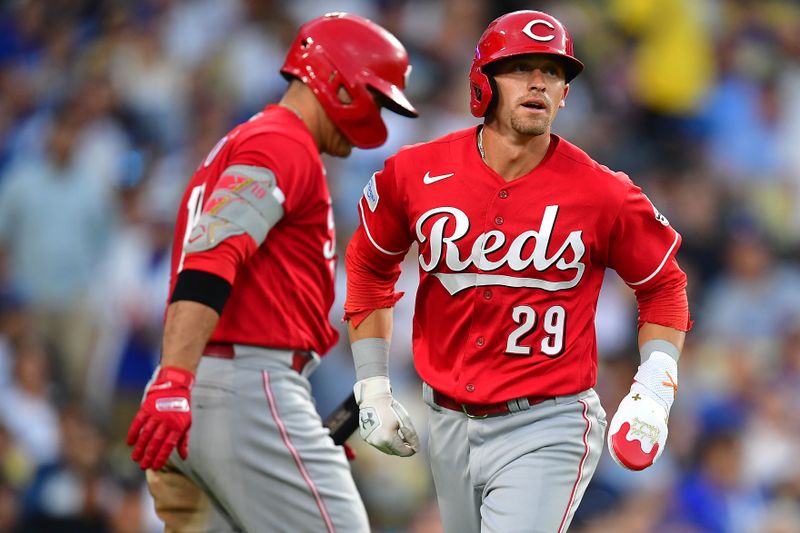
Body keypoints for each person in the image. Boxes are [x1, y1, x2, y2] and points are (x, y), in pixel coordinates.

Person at [344, 10, 691, 533]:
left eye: (553, 72)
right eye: (521, 67)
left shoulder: (604, 192)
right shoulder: (414, 172)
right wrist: (372, 385)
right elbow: (369, 265)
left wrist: (654, 390)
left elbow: (665, 285)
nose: (539, 83)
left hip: (548, 420)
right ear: (482, 84)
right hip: (447, 419)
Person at [125, 13, 418, 532]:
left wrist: (179, 380)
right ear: (336, 81)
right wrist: (175, 376)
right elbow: (210, 258)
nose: (378, 114)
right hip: (240, 390)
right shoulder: (281, 142)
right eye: (375, 97)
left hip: (215, 389)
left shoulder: (260, 139)